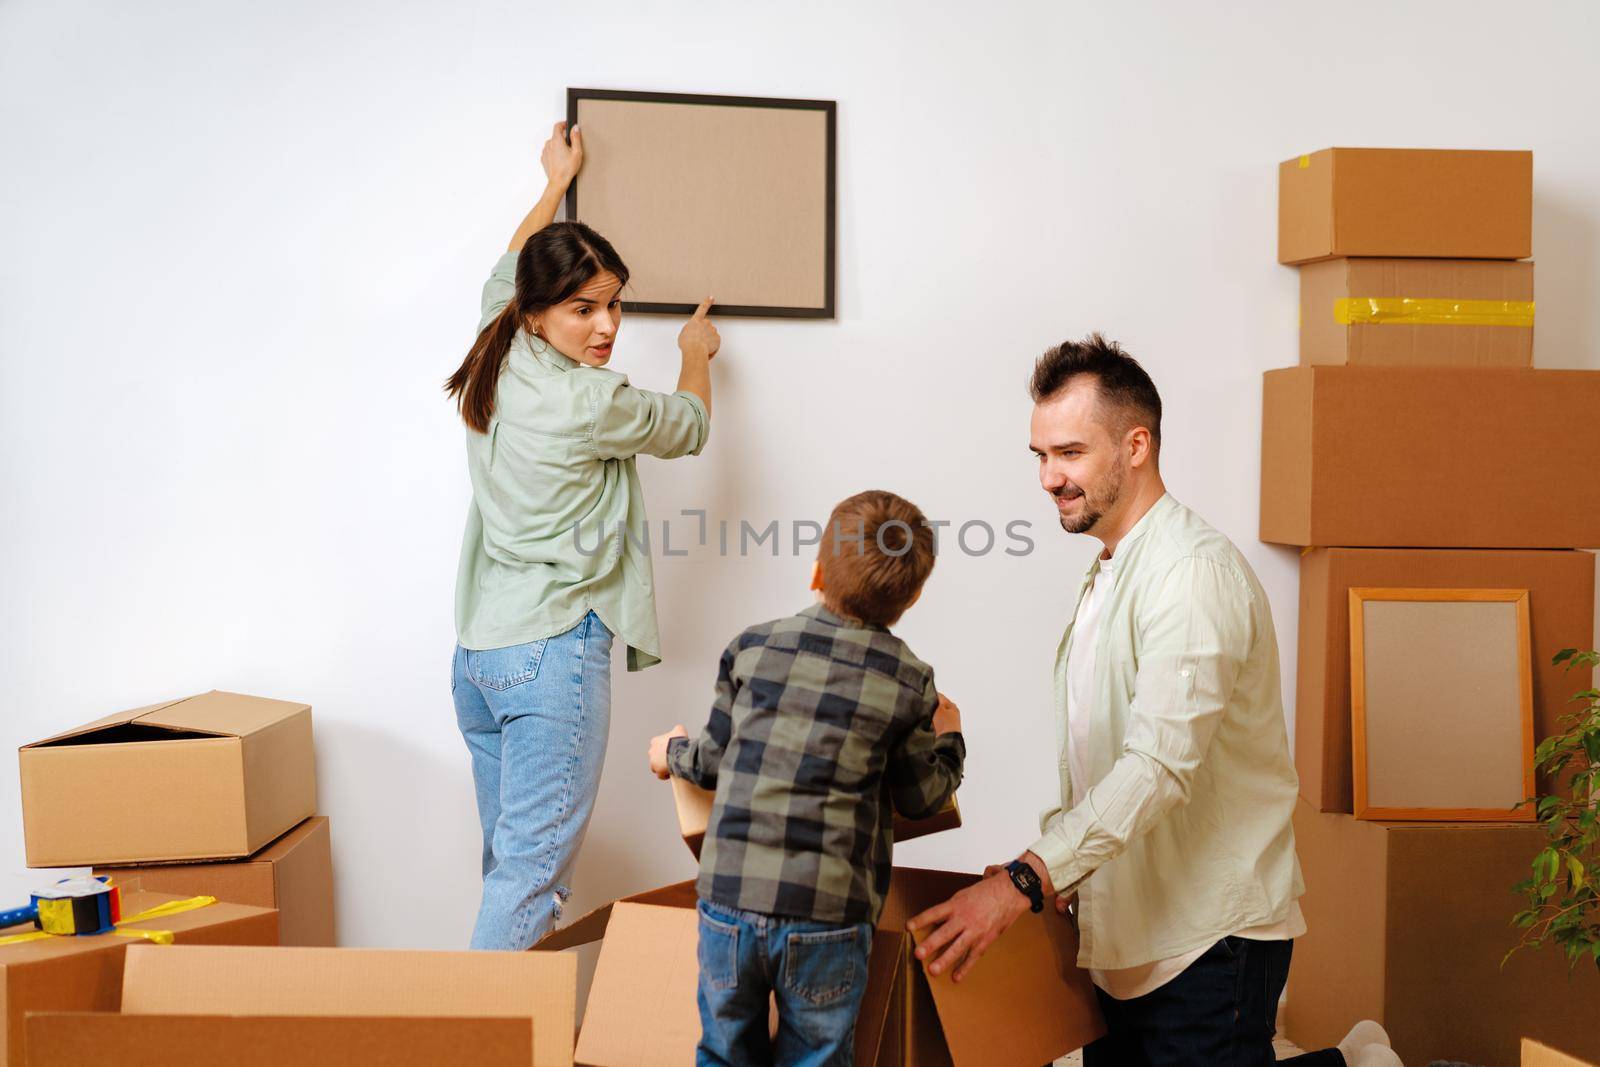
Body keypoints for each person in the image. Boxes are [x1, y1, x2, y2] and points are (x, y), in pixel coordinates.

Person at [905, 336, 1399, 1066]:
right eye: (1040, 455)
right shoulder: (1111, 572)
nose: (1048, 477)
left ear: (1135, 445)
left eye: (1069, 452)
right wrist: (1058, 874)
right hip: (1124, 934)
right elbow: (1097, 757)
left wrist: (1025, 879)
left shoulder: (1192, 575)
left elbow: (1159, 765)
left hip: (1207, 939)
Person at [445, 121, 720, 950]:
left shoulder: (497, 342)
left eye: (613, 304)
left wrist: (556, 182)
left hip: (481, 657)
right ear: (539, 312)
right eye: (583, 308)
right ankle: (475, 1041)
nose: (606, 327)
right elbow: (690, 425)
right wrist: (695, 349)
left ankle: (500, 1030)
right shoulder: (592, 401)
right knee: (530, 880)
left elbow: (511, 256)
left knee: (511, 869)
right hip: (550, 656)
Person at [648, 490, 965, 1067]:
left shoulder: (751, 648)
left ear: (816, 570)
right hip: (828, 918)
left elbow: (712, 762)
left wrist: (671, 751)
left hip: (730, 902)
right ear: (911, 598)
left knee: (722, 1053)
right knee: (815, 1059)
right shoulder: (908, 679)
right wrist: (950, 735)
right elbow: (923, 798)